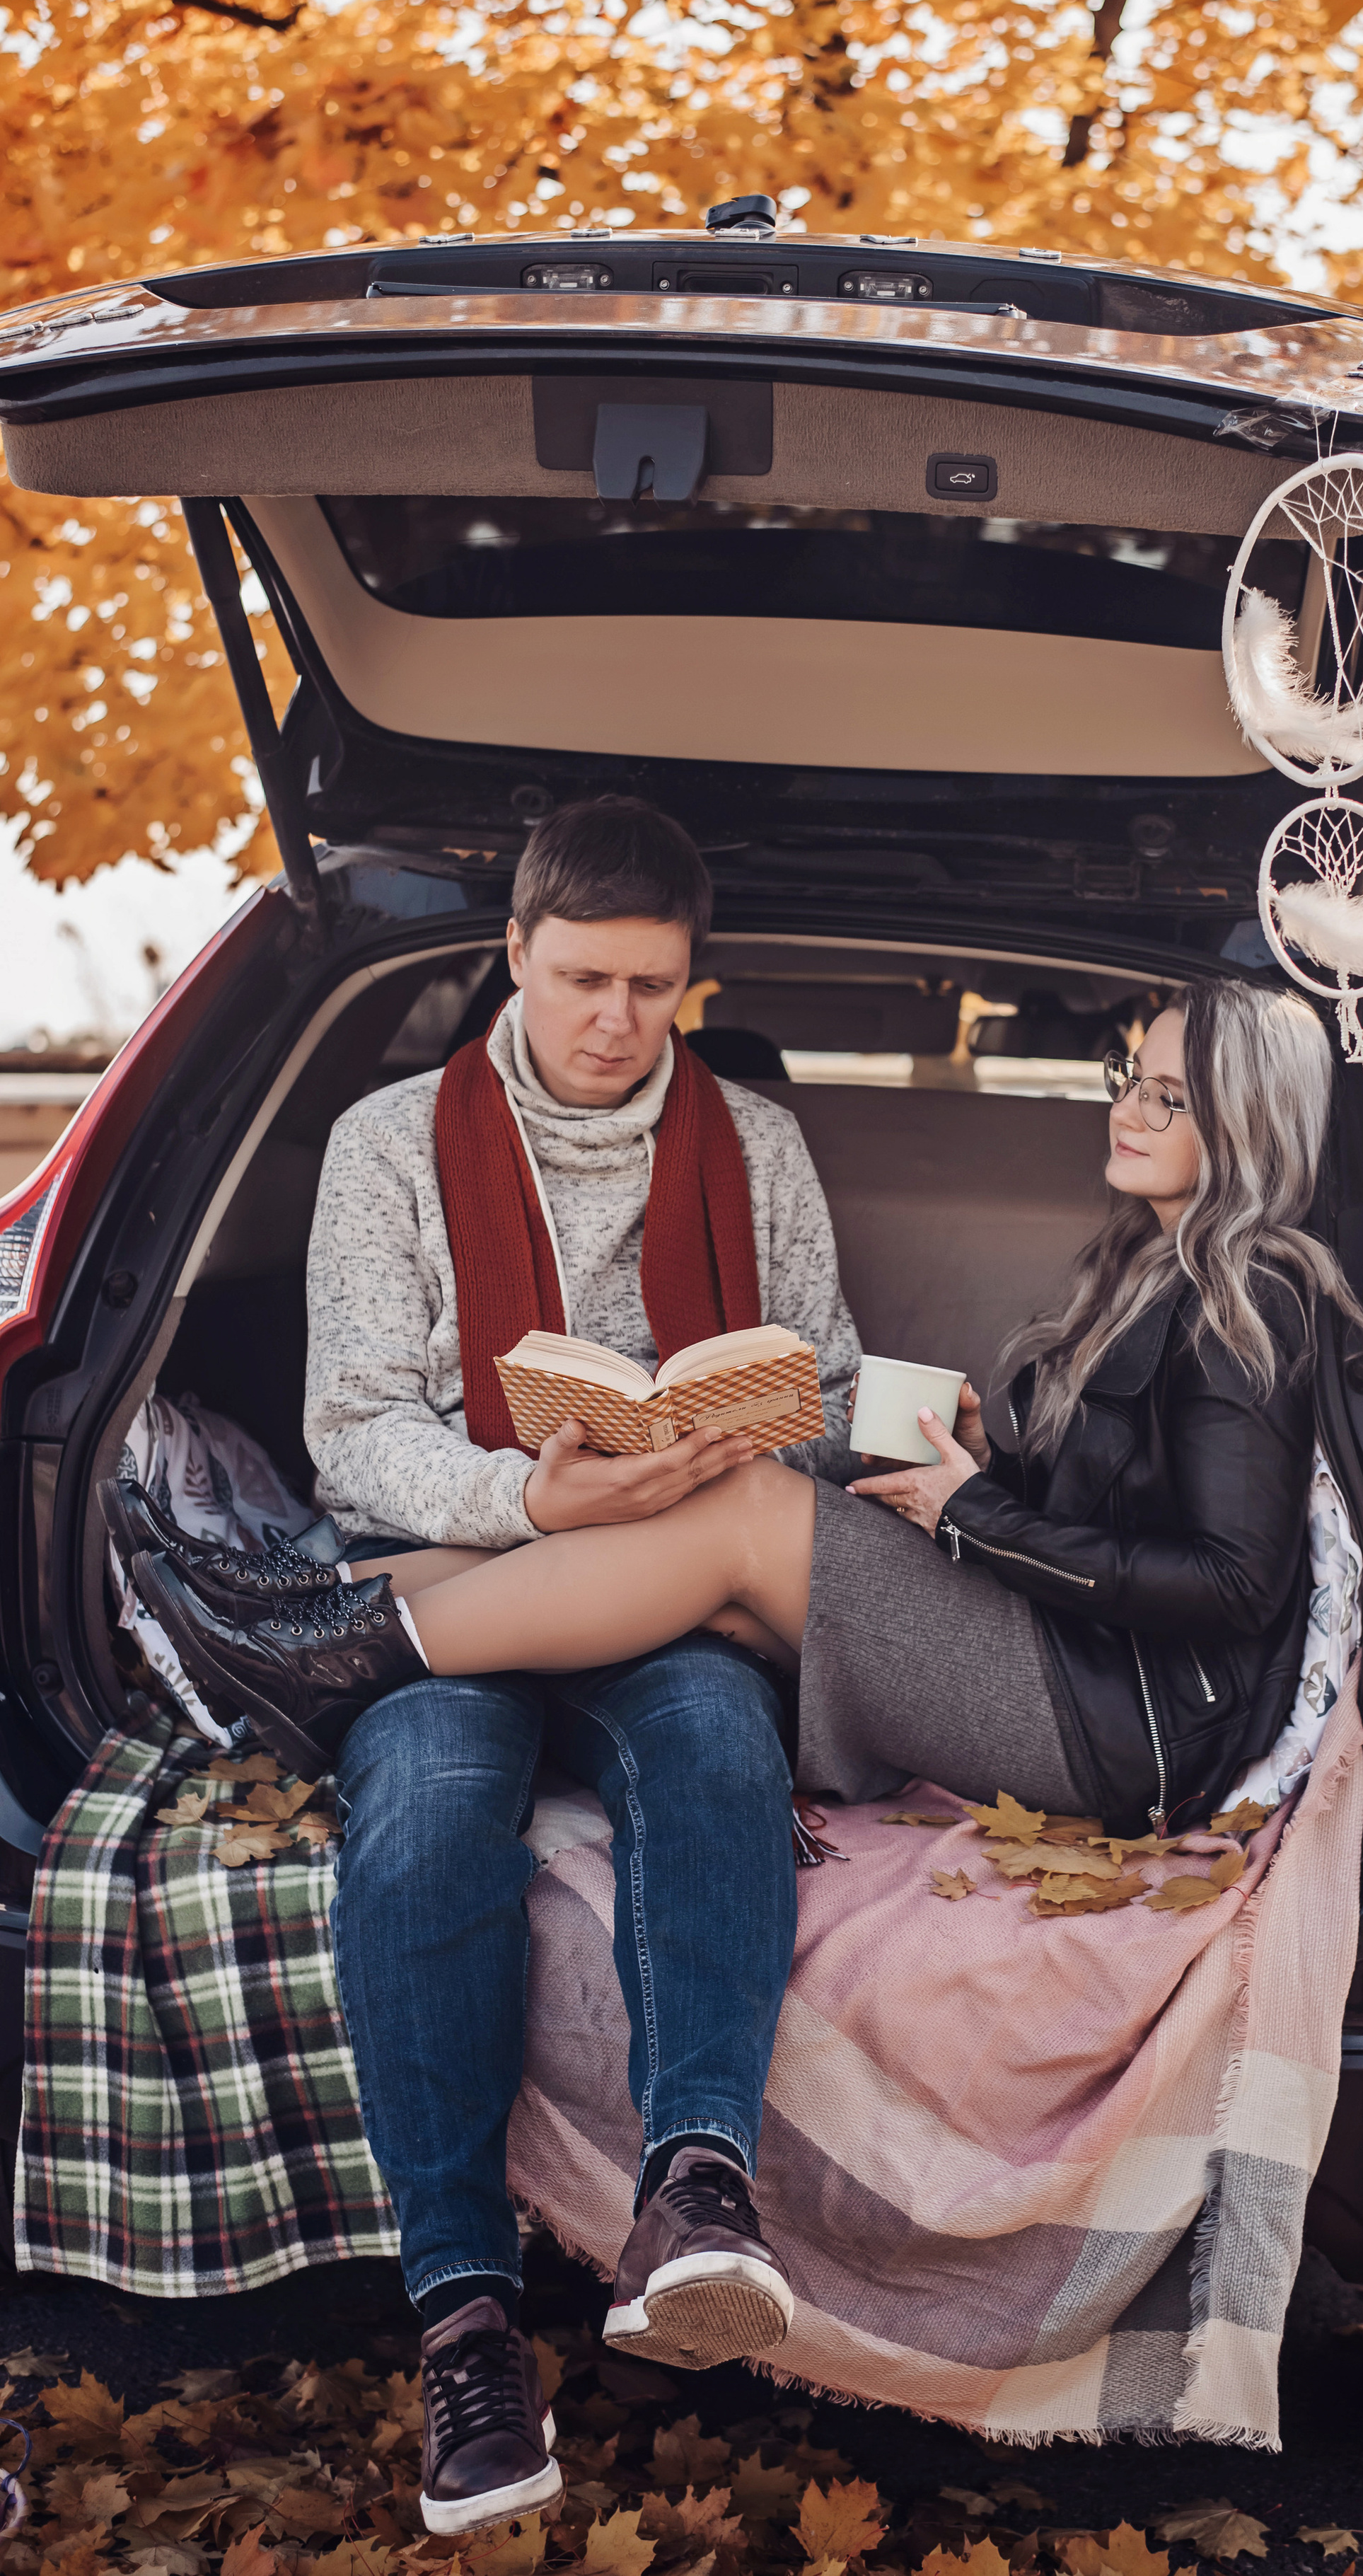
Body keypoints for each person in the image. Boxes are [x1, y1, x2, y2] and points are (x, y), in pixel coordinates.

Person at [129, 973, 1363, 2453]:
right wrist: (985, 1454)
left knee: (733, 1509)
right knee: (710, 1582)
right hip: (1065, 1651)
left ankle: (337, 1645)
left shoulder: (1255, 1292)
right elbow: (1122, 1502)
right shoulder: (1149, 1260)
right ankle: (335, 1608)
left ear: (1249, 1126)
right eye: (1130, 1074)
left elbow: (1224, 1584)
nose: (1128, 1105)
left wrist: (977, 1517)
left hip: (1111, 1726)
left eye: (1171, 1094)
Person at [107, 793, 860, 2539]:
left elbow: (810, 1376)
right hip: (453, 1567)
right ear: (512, 954)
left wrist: (723, 1467)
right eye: (581, 976)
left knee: (714, 1750)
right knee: (432, 1804)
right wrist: (533, 1490)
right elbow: (351, 1435)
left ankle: (695, 2196)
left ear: (692, 980)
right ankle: (460, 2319)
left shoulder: (757, 1140)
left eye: (650, 987)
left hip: (669, 1588)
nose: (613, 1019)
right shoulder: (385, 1143)